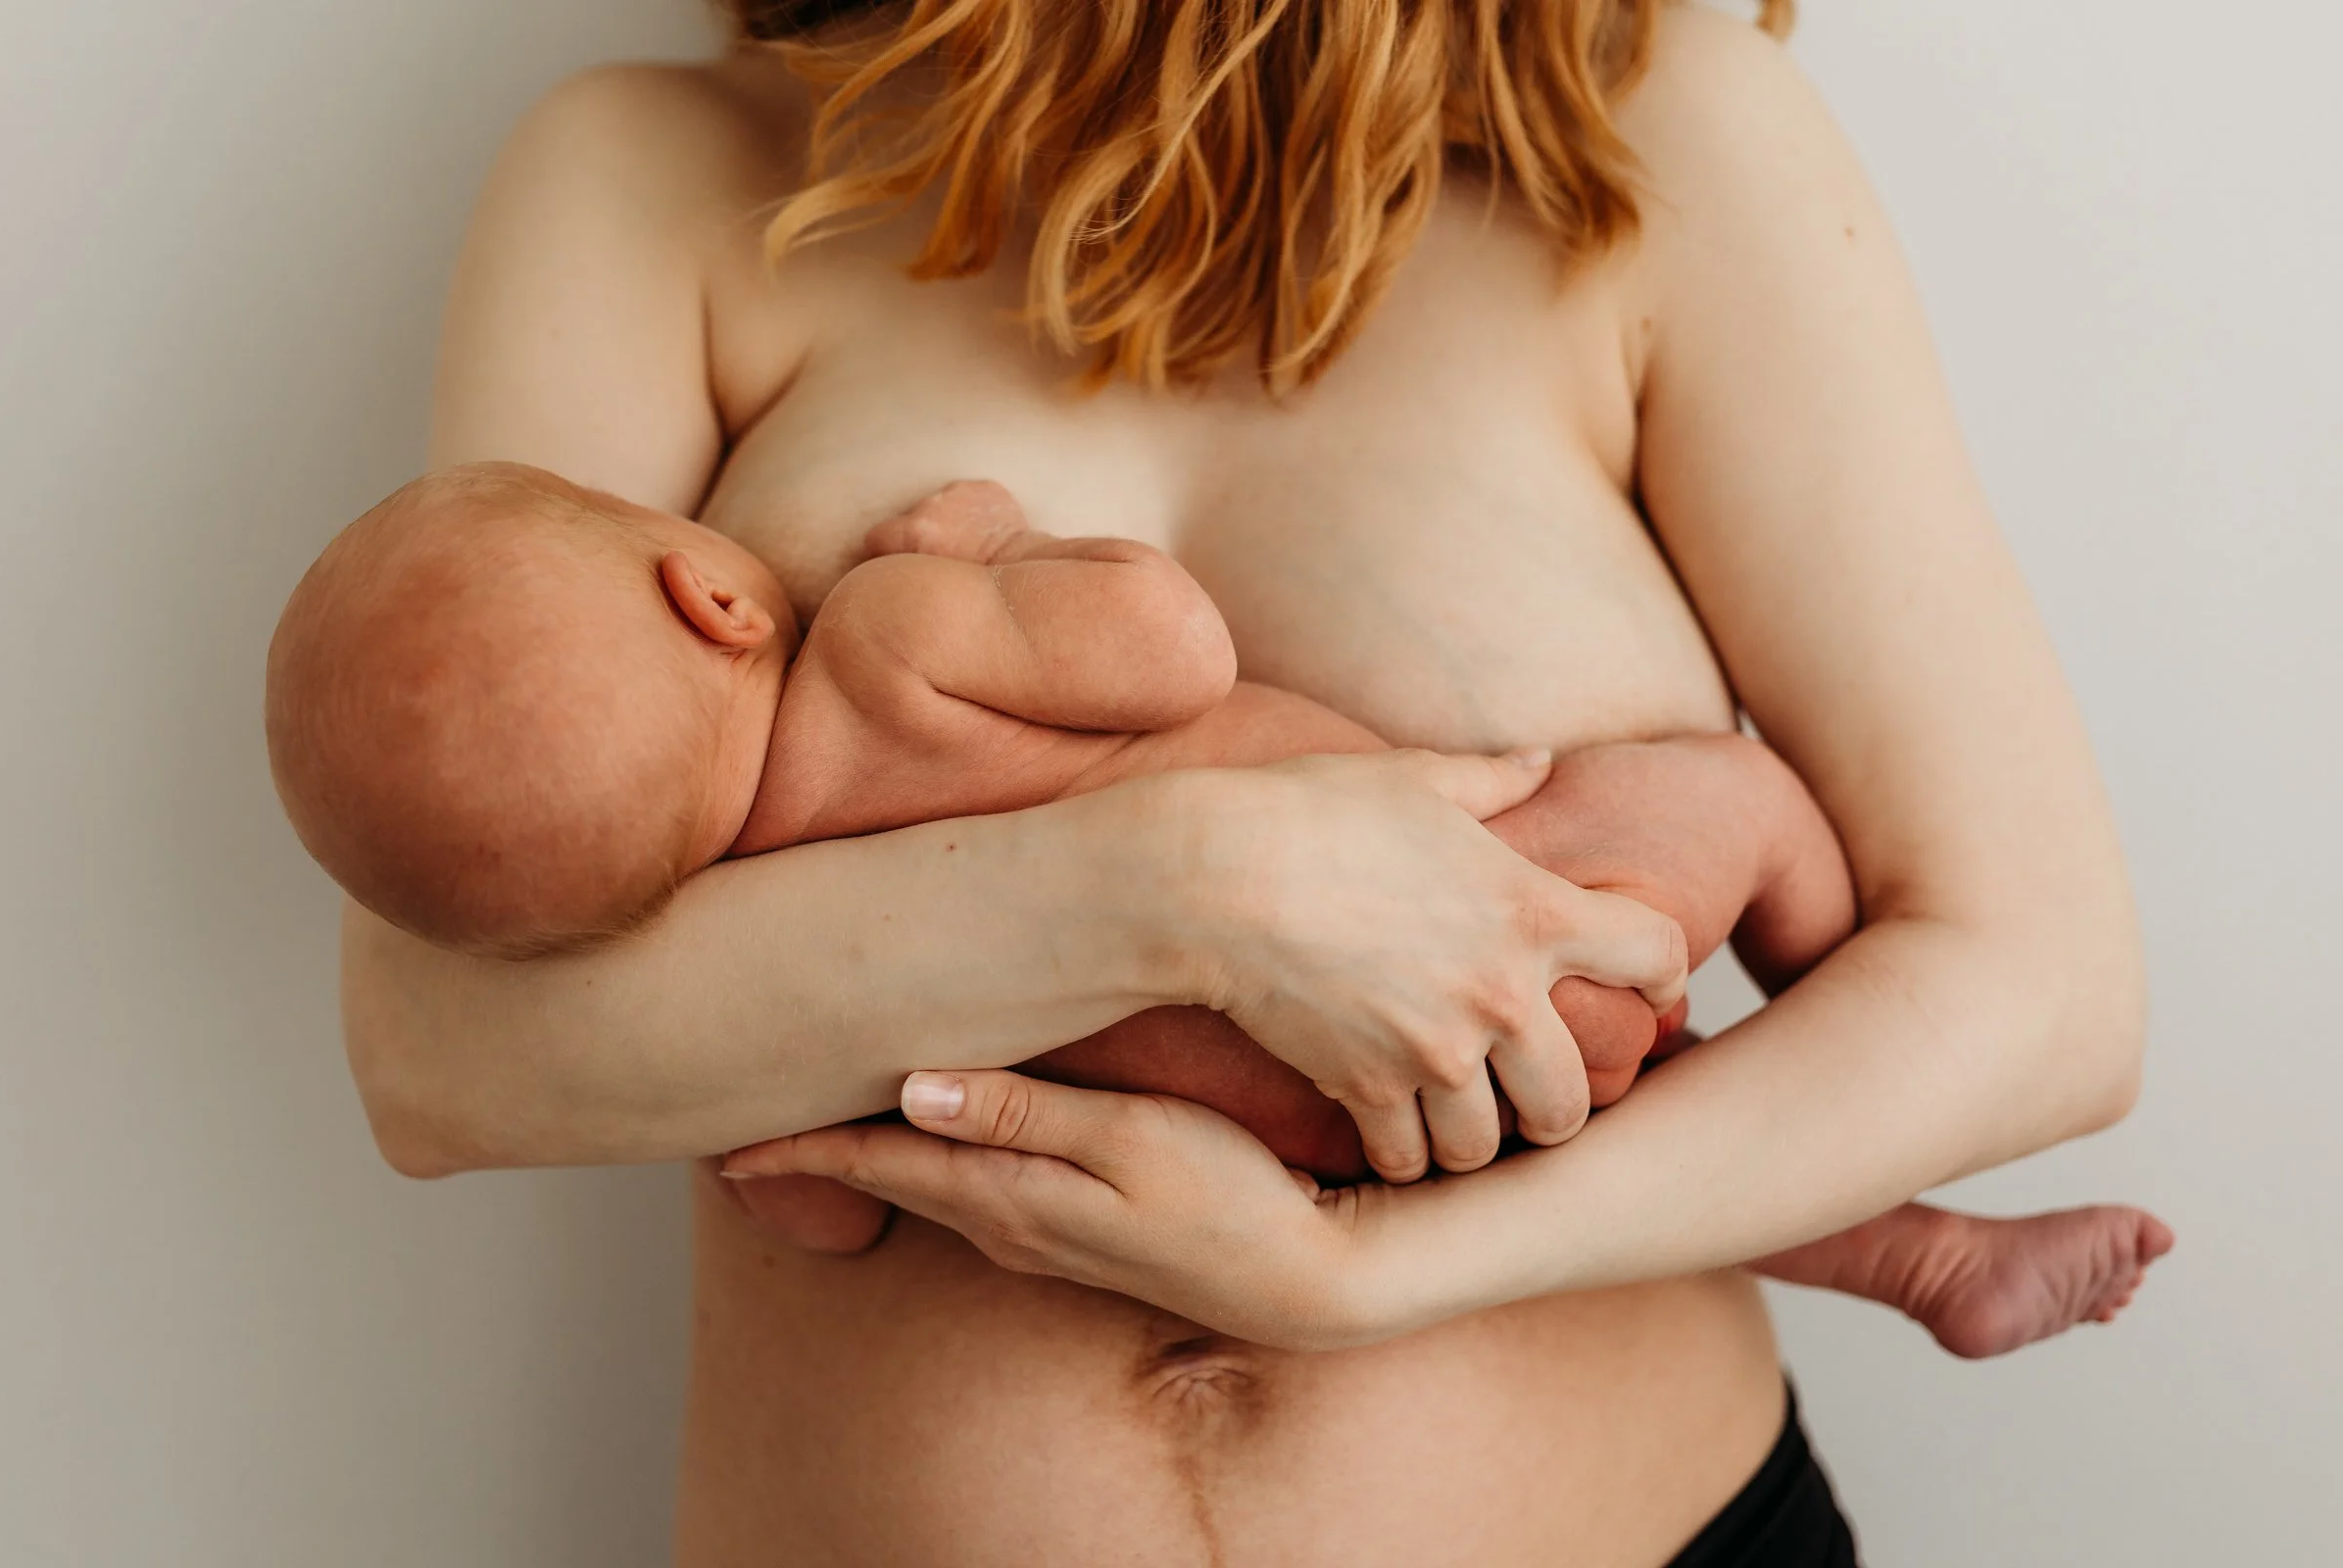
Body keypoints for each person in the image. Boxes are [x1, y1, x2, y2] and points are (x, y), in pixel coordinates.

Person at [338, 2, 2150, 1562]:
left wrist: (1368, 1273)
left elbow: (2044, 995)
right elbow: (441, 1052)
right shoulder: (653, 173)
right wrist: (1190, 887)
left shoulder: (1645, 132)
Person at [271, 462, 2168, 1355]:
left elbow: (822, 1219)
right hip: (1537, 941)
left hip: (1304, 1144)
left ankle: (1917, 1256)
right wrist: (986, 552)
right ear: (711, 597)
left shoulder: (755, 976)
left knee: (1622, 1132)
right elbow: (1169, 648)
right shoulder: (883, 641)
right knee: (1728, 807)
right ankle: (1820, 1021)